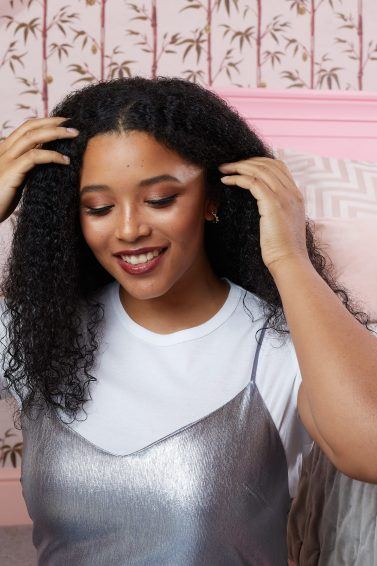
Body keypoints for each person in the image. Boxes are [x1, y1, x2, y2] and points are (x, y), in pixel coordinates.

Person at [0, 76, 376, 565]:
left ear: (212, 198)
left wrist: (289, 256)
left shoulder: (278, 343)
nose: (130, 229)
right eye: (99, 207)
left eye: (160, 199)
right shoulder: (39, 332)